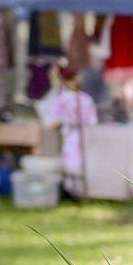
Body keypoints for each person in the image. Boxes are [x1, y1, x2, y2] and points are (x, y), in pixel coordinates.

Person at [43, 67, 98, 197]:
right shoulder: (69, 98)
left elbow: (50, 121)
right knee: (74, 160)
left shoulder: (72, 99)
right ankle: (74, 190)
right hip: (75, 135)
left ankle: (75, 190)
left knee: (74, 161)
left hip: (77, 135)